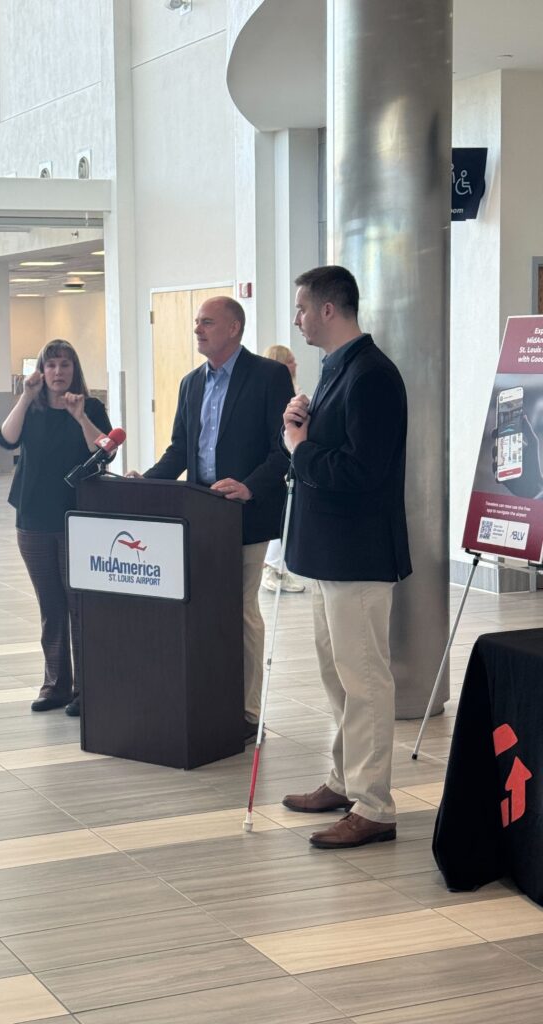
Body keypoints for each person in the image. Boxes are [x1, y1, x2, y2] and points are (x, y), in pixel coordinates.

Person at [280, 265, 411, 849]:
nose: (297, 319)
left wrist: (300, 449)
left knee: (365, 680)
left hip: (358, 555)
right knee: (338, 677)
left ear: (330, 309)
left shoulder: (373, 376)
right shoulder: (335, 369)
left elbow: (363, 472)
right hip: (329, 552)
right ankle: (344, 778)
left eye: (303, 308)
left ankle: (375, 805)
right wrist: (301, 431)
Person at [131, 297, 294, 743]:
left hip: (244, 512)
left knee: (241, 609)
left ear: (234, 328)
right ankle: (211, 695)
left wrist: (250, 486)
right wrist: (144, 483)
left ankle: (247, 709)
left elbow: (283, 449)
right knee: (203, 609)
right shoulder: (190, 383)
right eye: (196, 323)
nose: (198, 330)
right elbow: (180, 450)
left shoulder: (268, 376)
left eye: (207, 322)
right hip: (198, 514)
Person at [0, 340, 111, 717]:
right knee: (51, 605)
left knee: (78, 601)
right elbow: (5, 439)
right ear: (41, 373)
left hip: (76, 515)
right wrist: (26, 398)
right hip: (33, 515)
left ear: (74, 369)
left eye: (64, 365)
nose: (58, 373)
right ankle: (55, 684)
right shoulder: (32, 407)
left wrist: (79, 416)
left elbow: (104, 450)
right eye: (51, 366)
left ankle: (87, 687)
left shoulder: (90, 406)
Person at [261, 345, 305, 594]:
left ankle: (278, 568)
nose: (295, 365)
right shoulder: (279, 394)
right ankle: (273, 569)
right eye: (290, 361)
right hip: (282, 462)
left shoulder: (296, 392)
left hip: (294, 463)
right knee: (282, 514)